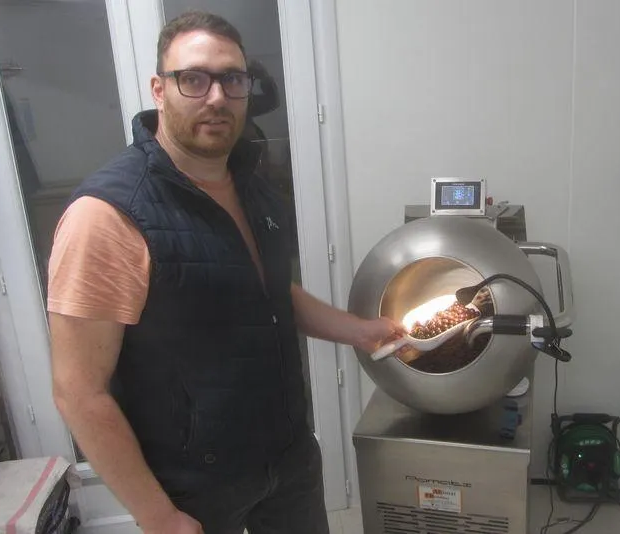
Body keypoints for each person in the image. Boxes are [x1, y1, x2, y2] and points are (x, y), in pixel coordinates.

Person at [47, 11, 402, 534]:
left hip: (288, 458)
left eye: (232, 79)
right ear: (159, 90)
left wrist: (361, 331)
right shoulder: (107, 216)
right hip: (193, 487)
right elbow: (79, 392)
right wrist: (157, 515)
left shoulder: (253, 185)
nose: (216, 97)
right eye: (193, 78)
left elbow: (268, 290)